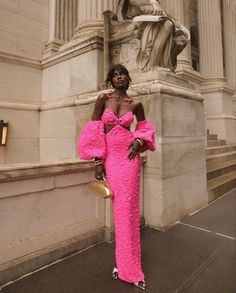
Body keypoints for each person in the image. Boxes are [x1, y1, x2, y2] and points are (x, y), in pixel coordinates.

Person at [78, 64, 156, 290]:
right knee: (120, 212)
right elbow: (94, 130)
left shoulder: (136, 104)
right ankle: (124, 266)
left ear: (128, 78)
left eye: (122, 73)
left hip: (130, 161)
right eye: (115, 74)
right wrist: (98, 162)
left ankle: (131, 269)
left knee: (129, 211)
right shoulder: (103, 100)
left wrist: (139, 140)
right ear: (111, 79)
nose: (119, 77)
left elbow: (145, 129)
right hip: (111, 161)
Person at [117, 0, 189, 71]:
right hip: (136, 19)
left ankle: (161, 63)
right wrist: (152, 4)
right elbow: (139, 5)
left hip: (150, 18)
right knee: (168, 25)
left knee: (175, 31)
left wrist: (180, 26)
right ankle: (152, 64)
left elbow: (162, 13)